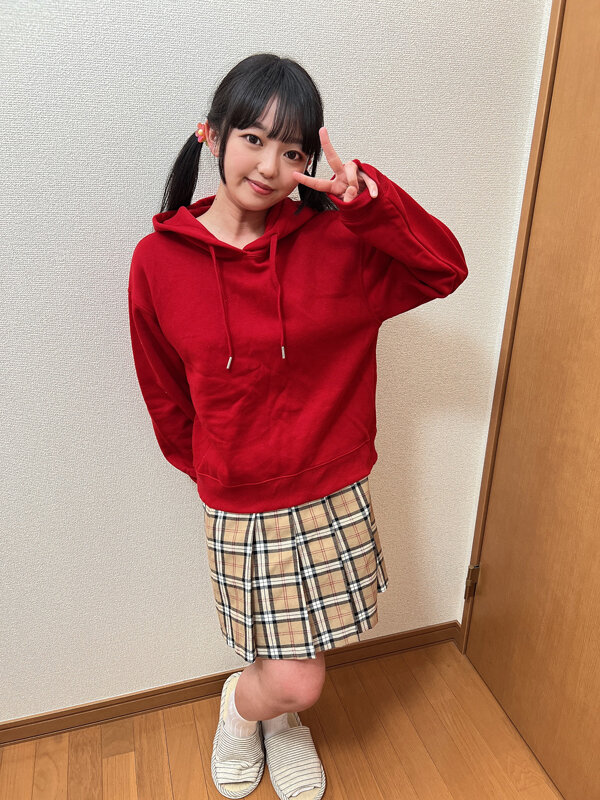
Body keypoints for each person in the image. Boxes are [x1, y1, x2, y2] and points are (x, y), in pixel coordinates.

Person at [128, 52, 468, 800]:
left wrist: (367, 203)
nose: (269, 166)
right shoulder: (157, 262)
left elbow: (444, 269)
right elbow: (164, 392)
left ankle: (279, 721)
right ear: (212, 134)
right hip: (239, 496)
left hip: (331, 487)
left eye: (292, 151)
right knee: (294, 674)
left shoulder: (339, 241)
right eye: (253, 139)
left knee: (302, 651)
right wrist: (216, 468)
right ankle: (243, 710)